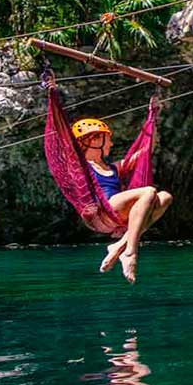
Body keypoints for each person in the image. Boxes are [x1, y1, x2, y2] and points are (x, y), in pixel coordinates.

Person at [71, 116, 173, 284]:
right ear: (94, 140)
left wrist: (153, 118)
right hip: (101, 213)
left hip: (117, 214)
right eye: (108, 139)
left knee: (165, 197)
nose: (111, 144)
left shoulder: (113, 168)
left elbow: (145, 152)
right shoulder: (81, 168)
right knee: (149, 191)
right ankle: (130, 252)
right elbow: (66, 151)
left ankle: (119, 245)